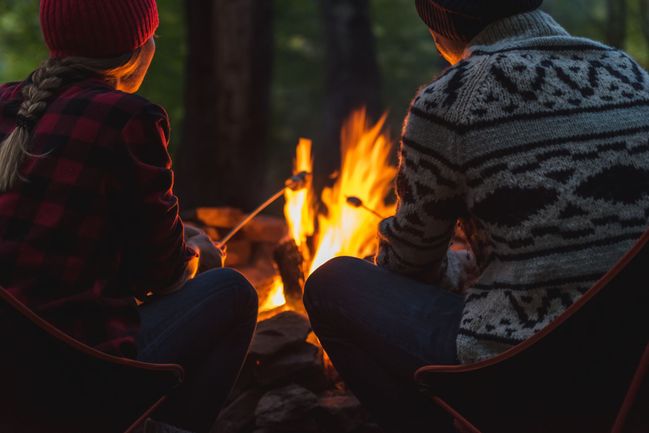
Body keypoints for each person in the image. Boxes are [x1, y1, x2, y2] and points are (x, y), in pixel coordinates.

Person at [304, 1, 649, 432]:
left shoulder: (453, 97)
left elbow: (409, 265)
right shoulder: (630, 73)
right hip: (631, 367)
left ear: (441, 24)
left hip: (525, 369)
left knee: (332, 285)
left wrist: (459, 269)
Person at [0, 1, 258, 432]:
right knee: (231, 291)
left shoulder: (6, 102)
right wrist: (198, 253)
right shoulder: (128, 117)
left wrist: (178, 235)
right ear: (140, 48)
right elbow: (160, 276)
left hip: (8, 371)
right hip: (73, 369)